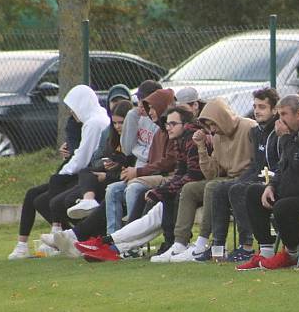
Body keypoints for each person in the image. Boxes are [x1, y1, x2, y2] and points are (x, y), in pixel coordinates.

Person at [74, 106, 205, 262]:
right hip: (176, 184)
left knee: (143, 194)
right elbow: (180, 173)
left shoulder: (192, 139)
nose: (168, 127)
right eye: (167, 124)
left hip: (189, 188)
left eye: (173, 124)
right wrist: (161, 190)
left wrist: (160, 191)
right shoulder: (177, 138)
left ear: (185, 124)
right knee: (149, 215)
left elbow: (191, 174)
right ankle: (111, 246)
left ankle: (107, 243)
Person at [9, 85, 110, 260]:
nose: (71, 112)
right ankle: (29, 242)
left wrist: (63, 171)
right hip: (81, 171)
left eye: (73, 107)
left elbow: (83, 156)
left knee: (46, 197)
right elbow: (78, 149)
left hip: (87, 174)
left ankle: (60, 234)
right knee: (35, 195)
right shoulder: (87, 121)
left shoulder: (94, 122)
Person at [154, 97, 256, 262]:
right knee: (189, 189)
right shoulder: (217, 137)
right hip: (226, 179)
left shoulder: (249, 127)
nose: (212, 129)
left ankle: (202, 243)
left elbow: (258, 162)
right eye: (209, 126)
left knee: (213, 187)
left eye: (214, 124)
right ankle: (180, 242)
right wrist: (201, 147)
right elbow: (212, 173)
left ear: (223, 118)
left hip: (245, 179)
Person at [236, 94, 299, 270]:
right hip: (292, 188)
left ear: (298, 114)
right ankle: (265, 250)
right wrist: (271, 185)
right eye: (279, 114)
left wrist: (286, 138)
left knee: (283, 206)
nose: (280, 120)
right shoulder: (288, 133)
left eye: (284, 114)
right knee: (253, 193)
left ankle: (291, 253)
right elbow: (282, 165)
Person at [223, 89, 282, 262]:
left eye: (262, 107)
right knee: (221, 189)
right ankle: (216, 246)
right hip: (260, 176)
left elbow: (277, 165)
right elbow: (256, 165)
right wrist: (241, 179)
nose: (257, 111)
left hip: (275, 180)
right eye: (255, 106)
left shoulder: (279, 130)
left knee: (239, 189)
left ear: (274, 110)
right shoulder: (255, 132)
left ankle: (247, 245)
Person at [103, 80, 163, 236]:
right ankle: (112, 239)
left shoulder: (161, 121)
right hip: (138, 171)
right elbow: (128, 149)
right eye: (139, 101)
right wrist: (131, 116)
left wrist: (137, 169)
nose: (140, 106)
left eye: (144, 102)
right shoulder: (137, 117)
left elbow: (155, 156)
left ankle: (132, 241)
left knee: (132, 189)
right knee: (112, 190)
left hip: (153, 173)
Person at [66, 99, 135, 220]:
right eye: (114, 123)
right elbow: (97, 159)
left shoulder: (133, 140)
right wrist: (107, 164)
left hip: (118, 178)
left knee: (106, 192)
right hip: (106, 173)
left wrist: (107, 175)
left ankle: (88, 232)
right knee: (83, 174)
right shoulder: (111, 136)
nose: (117, 126)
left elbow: (130, 167)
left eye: (121, 123)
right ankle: (88, 201)